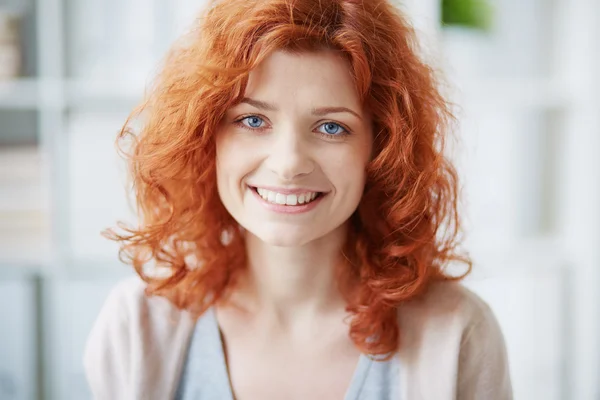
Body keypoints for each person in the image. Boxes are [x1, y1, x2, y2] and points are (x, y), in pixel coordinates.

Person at [83, 0, 512, 399]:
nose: (288, 164)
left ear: (380, 151)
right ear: (205, 138)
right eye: (253, 120)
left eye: (331, 127)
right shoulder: (136, 328)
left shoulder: (458, 334)